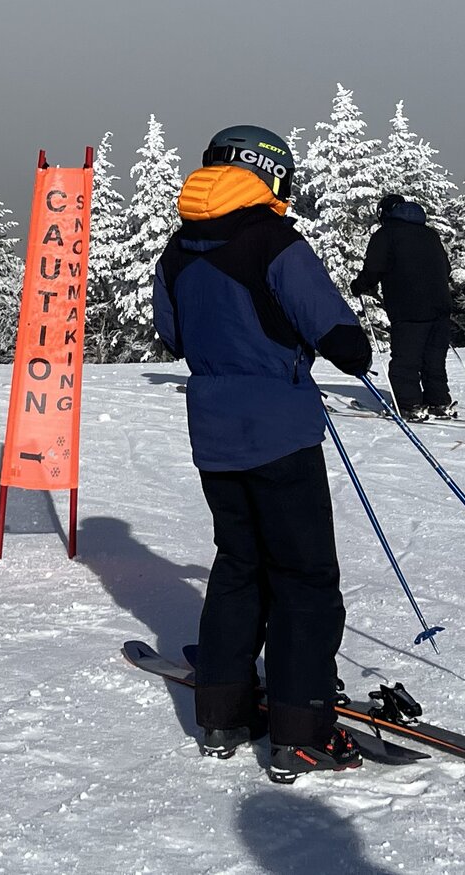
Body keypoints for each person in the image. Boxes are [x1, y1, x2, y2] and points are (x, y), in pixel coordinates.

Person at [152, 124, 375, 782]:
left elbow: (172, 335)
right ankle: (300, 732)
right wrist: (344, 351)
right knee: (303, 577)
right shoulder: (274, 239)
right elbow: (340, 335)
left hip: (214, 431)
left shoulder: (179, 247)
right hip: (280, 430)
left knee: (240, 565)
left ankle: (222, 715)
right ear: (268, 173)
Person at [353, 192, 459, 421]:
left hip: (409, 308)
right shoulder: (429, 234)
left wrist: (359, 286)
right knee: (434, 358)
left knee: (406, 359)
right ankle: (438, 402)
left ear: (384, 213)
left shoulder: (386, 235)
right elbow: (446, 268)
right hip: (440, 306)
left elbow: (374, 268)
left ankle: (409, 405)